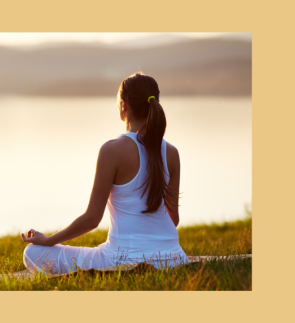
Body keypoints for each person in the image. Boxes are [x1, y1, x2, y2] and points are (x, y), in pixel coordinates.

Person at [21, 72, 190, 274]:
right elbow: (174, 220)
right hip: (175, 257)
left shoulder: (112, 150)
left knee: (32, 253)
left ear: (124, 105)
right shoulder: (171, 152)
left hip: (120, 260)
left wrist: (48, 240)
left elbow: (92, 219)